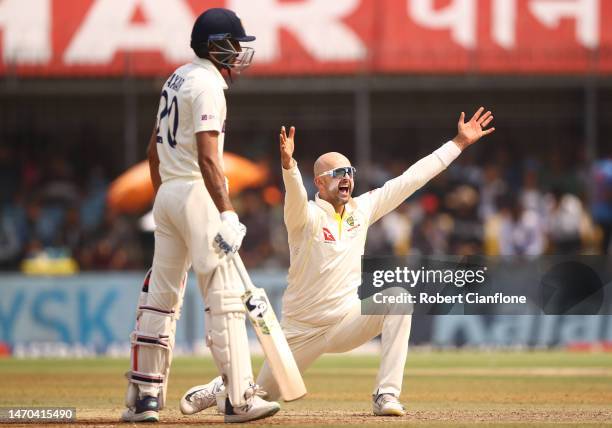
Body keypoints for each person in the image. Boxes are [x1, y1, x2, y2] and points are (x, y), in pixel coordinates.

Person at [179, 108, 495, 417]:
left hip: (346, 320)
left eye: (350, 172)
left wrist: (459, 143)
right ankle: (224, 388)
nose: (346, 178)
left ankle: (386, 394)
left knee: (398, 298)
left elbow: (412, 179)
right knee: (260, 399)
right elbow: (295, 199)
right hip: (302, 331)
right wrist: (289, 168)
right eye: (337, 174)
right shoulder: (306, 218)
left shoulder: (362, 209)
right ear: (319, 182)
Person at [121, 8, 280, 423]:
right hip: (194, 191)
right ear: (215, 46)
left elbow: (153, 150)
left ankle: (143, 399)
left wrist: (163, 201)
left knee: (160, 300)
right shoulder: (209, 84)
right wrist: (227, 212)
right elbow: (209, 160)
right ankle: (238, 399)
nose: (240, 53)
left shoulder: (175, 79)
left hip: (169, 193)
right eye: (233, 44)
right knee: (224, 295)